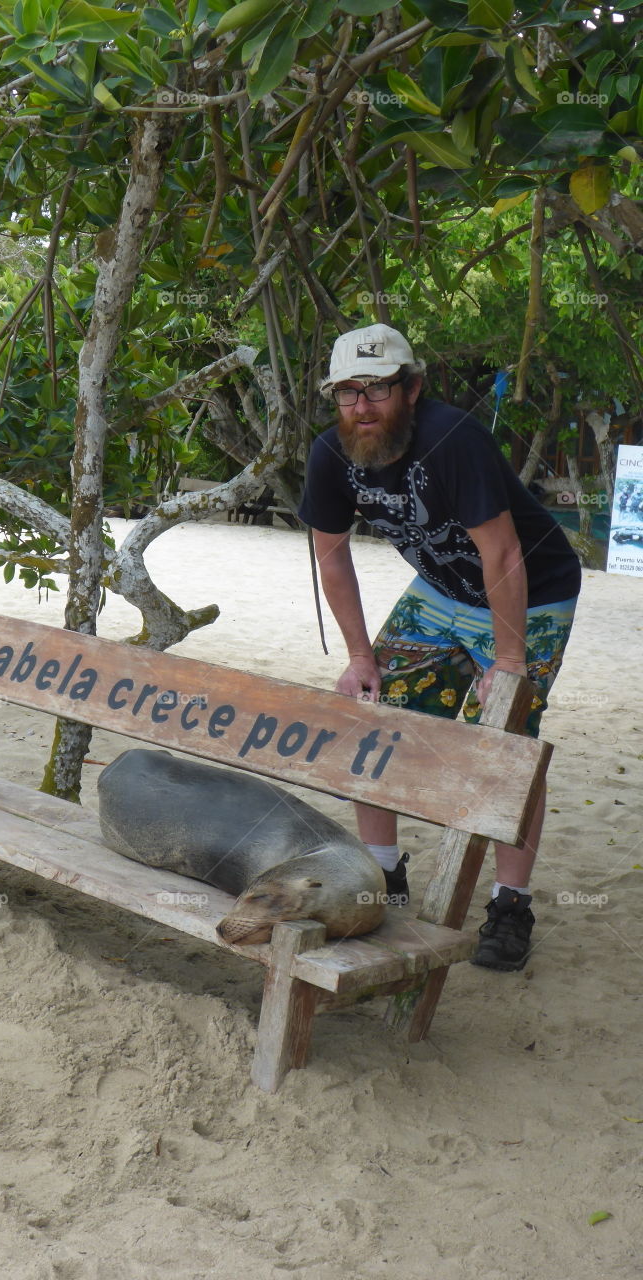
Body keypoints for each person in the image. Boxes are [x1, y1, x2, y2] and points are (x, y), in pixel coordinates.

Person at [299, 323, 581, 971]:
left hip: (531, 592)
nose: (363, 407)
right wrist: (360, 656)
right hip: (439, 593)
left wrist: (508, 662)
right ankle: (382, 876)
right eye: (348, 392)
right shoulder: (331, 454)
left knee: (508, 746)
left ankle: (511, 904)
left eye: (378, 390)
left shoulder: (454, 439)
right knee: (377, 723)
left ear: (413, 388)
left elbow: (503, 552)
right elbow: (332, 556)